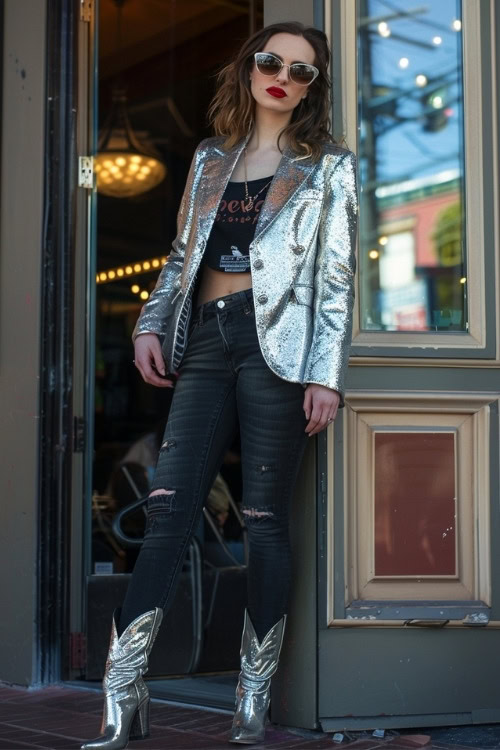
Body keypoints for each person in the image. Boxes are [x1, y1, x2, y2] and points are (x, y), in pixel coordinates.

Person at [82, 20, 358, 750]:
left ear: (313, 87)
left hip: (278, 353)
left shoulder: (329, 167)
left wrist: (324, 375)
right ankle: (123, 695)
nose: (283, 78)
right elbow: (180, 257)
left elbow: (335, 281)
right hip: (205, 337)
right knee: (168, 511)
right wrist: (149, 323)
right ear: (248, 68)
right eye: (272, 62)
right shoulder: (209, 159)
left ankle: (251, 700)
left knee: (264, 521)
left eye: (301, 71)